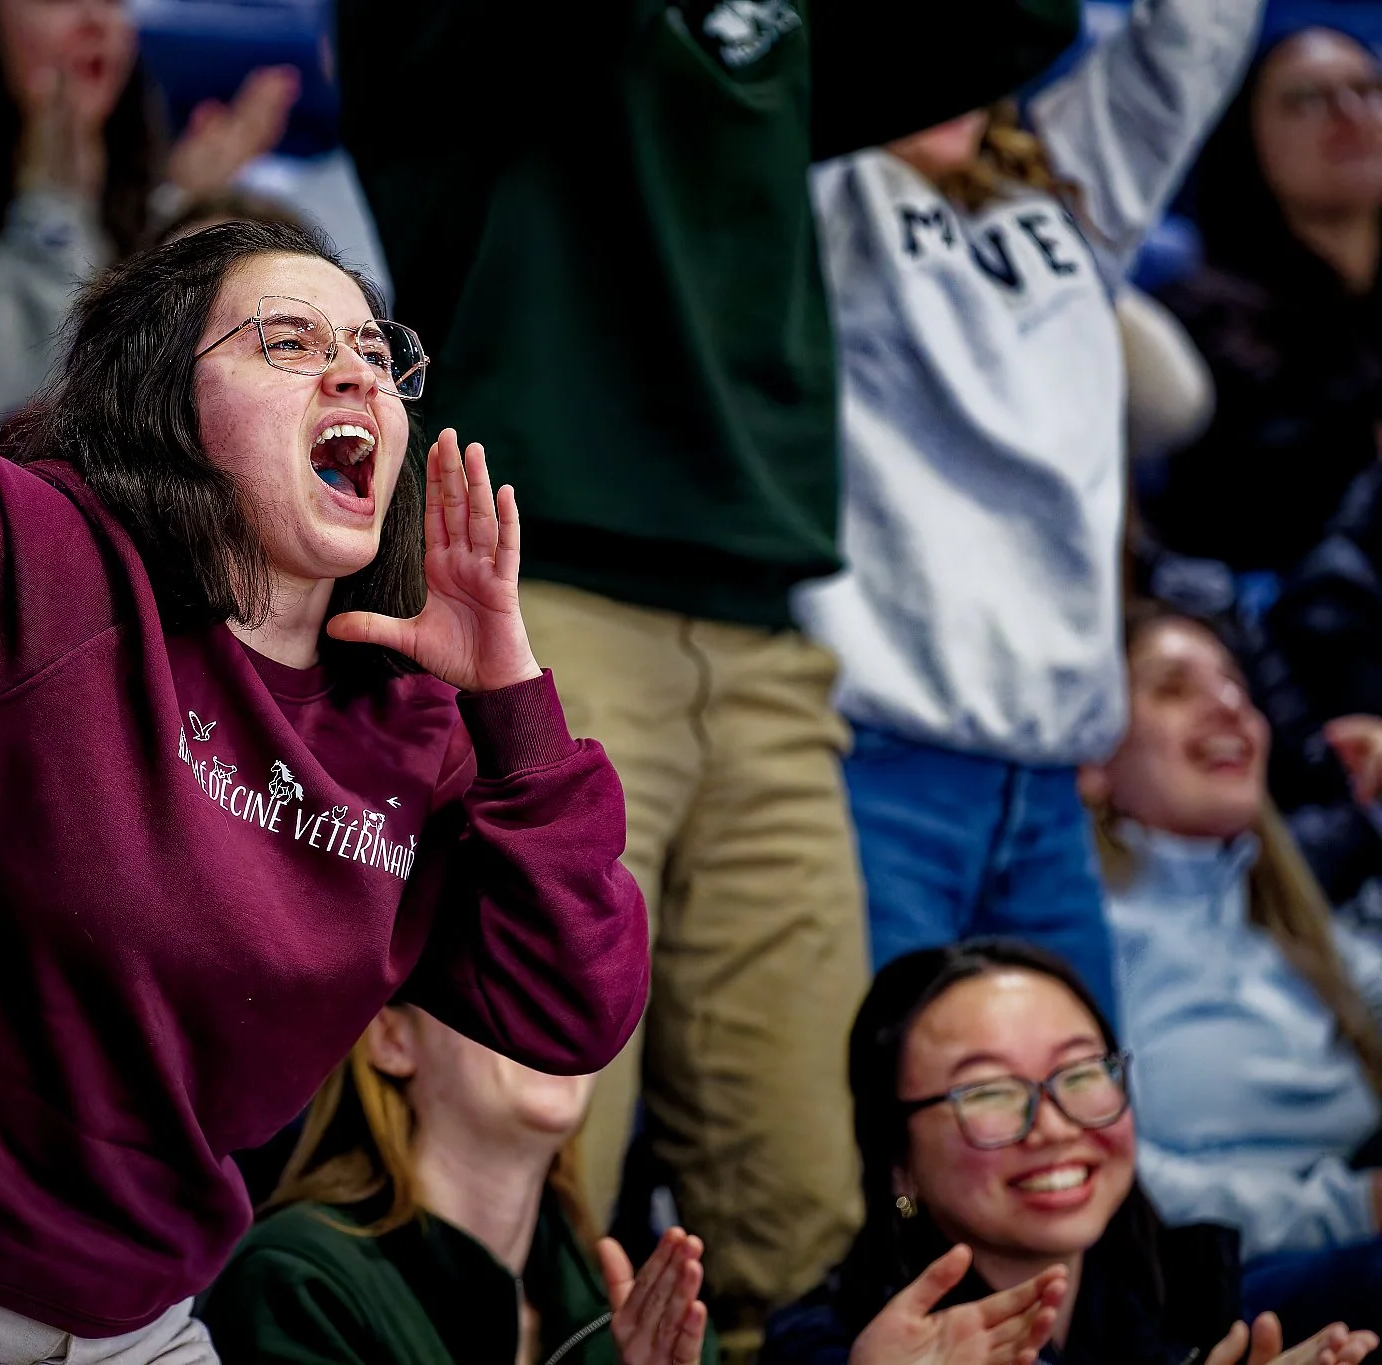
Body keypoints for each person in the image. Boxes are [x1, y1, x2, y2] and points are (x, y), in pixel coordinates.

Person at [0, 3, 649, 1360]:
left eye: (373, 350)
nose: (352, 365)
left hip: (128, 1327)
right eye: (287, 343)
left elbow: (567, 1006)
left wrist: (514, 709)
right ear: (167, 409)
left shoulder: (410, 723)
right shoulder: (48, 572)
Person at [338, 0, 1085, 1336]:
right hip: (524, 593)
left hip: (766, 631)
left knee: (801, 1202)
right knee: (513, 1165)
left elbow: (1019, 20)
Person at [793, 0, 1261, 1024]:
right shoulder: (805, 182)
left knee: (1075, 1122)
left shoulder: (1063, 188)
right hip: (870, 765)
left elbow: (1196, 29)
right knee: (881, 1146)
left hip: (1050, 793)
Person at [762, 939, 1379, 1365]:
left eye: (1082, 1072)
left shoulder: (1175, 1291)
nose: (1054, 1126)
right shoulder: (834, 1346)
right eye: (990, 1091)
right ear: (898, 1157)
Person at [1085, 605, 1382, 1333]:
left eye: (1236, 686)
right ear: (1092, 761)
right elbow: (1104, 1171)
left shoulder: (1296, 923)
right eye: (1174, 686)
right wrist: (1352, 1208)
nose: (1228, 704)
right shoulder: (1082, 941)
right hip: (1204, 1287)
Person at [201, 1004, 717, 1365]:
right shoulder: (296, 1285)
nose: (555, 1013)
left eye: (571, 991)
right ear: (391, 1039)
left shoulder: (647, 1313)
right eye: (506, 978)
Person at [0, 0, 298, 428]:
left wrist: (184, 215)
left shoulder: (128, 188)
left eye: (114, 0)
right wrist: (50, 210)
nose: (97, 20)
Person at [1146, 27, 1382, 577]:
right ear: (1245, 134)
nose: (1349, 116)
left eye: (1368, 90)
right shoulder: (1196, 319)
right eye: (1307, 99)